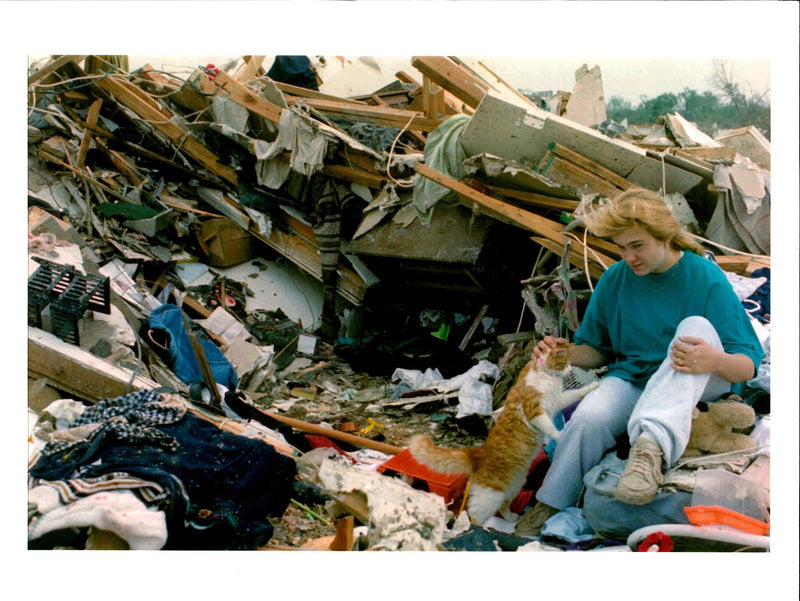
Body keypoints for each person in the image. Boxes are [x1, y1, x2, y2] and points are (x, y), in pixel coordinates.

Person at [515, 187, 764, 536]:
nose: (629, 257)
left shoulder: (704, 277)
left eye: (638, 246)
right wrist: (561, 355)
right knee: (588, 418)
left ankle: (648, 449)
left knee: (694, 327)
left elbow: (748, 365)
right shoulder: (616, 279)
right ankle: (551, 503)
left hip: (698, 381)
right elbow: (597, 350)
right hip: (635, 378)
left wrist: (714, 358)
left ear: (664, 238)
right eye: (621, 247)